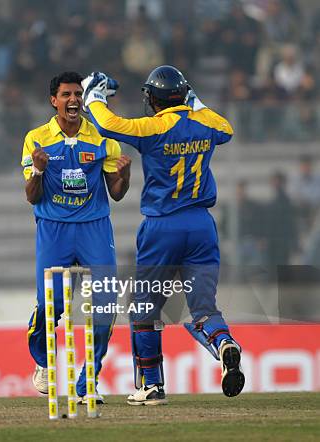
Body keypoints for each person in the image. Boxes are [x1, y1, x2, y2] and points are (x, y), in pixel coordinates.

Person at [82, 66, 245, 405]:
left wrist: (94, 97)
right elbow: (226, 129)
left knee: (144, 307)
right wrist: (195, 101)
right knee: (202, 307)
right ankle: (223, 342)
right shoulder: (205, 123)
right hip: (201, 226)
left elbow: (108, 124)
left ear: (153, 100)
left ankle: (152, 386)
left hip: (162, 227)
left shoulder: (154, 127)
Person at [23, 71, 131, 403]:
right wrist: (39, 170)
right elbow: (31, 196)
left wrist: (124, 175)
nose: (73, 100)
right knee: (49, 306)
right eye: (66, 95)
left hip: (93, 227)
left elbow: (117, 194)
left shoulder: (103, 139)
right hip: (53, 229)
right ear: (53, 100)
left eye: (78, 95)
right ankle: (43, 362)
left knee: (105, 304)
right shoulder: (37, 138)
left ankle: (87, 382)